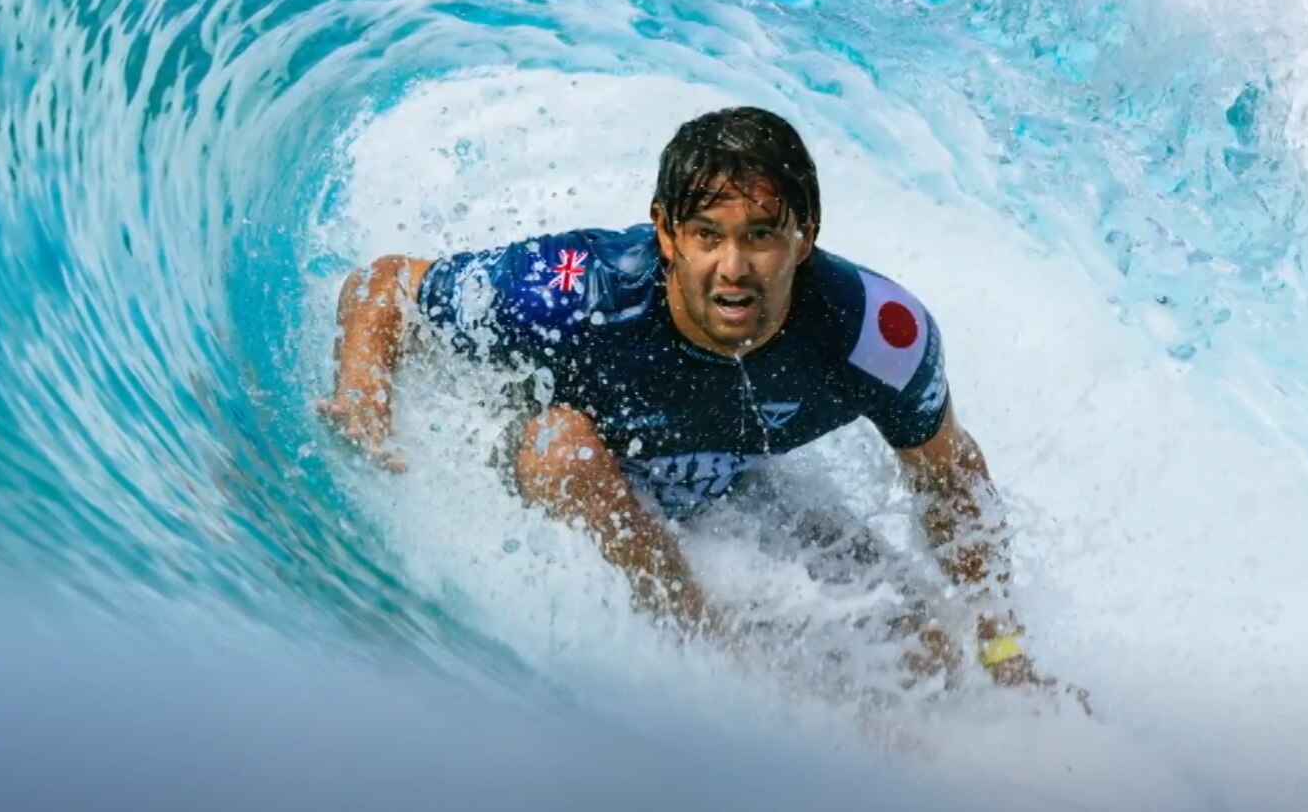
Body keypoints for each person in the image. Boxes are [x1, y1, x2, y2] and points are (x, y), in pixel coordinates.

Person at [320, 105, 1081, 710]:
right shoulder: (582, 288)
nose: (732, 267)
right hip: (553, 472)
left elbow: (948, 475)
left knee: (932, 659)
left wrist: (1004, 652)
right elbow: (386, 286)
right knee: (563, 447)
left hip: (730, 490)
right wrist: (363, 402)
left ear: (804, 238)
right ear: (666, 234)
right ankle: (711, 651)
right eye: (706, 235)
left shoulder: (872, 333)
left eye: (760, 236)